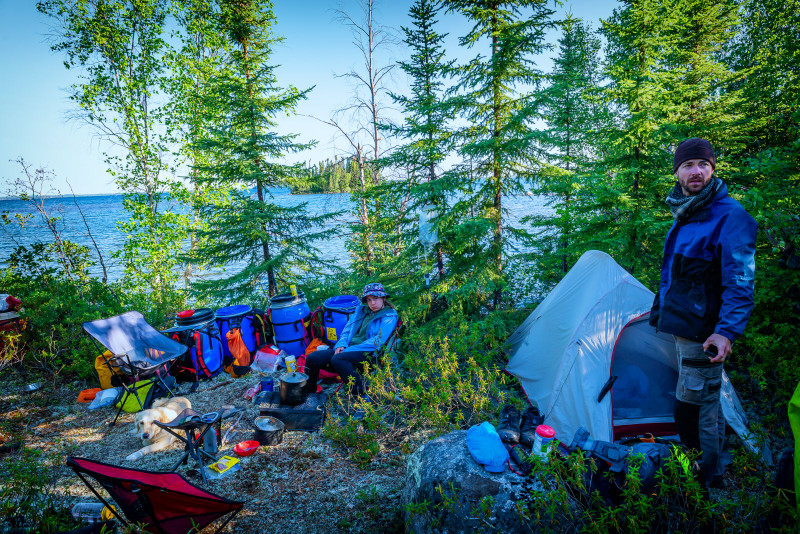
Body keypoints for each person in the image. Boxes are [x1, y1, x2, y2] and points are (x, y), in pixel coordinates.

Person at [649, 137, 757, 489]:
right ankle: (703, 464)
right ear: (677, 172)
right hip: (684, 325)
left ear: (712, 168)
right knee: (694, 398)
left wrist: (726, 331)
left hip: (704, 332)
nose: (695, 171)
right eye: (687, 165)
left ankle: (708, 477)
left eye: (702, 165)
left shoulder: (730, 216)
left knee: (697, 405)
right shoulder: (688, 209)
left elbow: (740, 281)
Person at [304, 283, 399, 398]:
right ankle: (310, 393)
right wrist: (341, 344)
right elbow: (346, 330)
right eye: (369, 300)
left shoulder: (389, 316)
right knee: (312, 358)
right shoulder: (361, 311)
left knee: (338, 359)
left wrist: (348, 350)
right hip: (348, 349)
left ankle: (360, 397)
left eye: (376, 298)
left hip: (369, 354)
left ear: (383, 298)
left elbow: (376, 342)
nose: (372, 303)